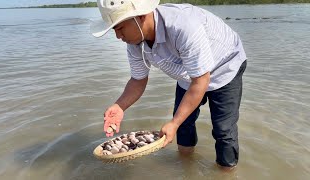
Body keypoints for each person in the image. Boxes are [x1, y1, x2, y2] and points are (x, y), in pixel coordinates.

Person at [91, 0, 247, 170]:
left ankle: (226, 172)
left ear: (141, 16)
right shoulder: (136, 42)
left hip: (225, 65)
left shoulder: (183, 27)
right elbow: (138, 80)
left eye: (120, 28)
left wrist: (174, 122)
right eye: (114, 29)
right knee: (183, 125)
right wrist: (119, 106)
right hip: (189, 74)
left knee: (223, 130)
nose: (118, 36)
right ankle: (186, 165)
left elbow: (201, 81)